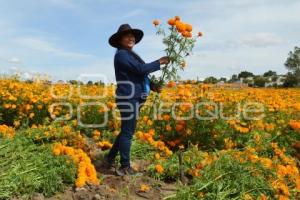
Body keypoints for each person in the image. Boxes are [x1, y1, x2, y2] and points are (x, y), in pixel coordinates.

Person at [103, 24, 170, 176]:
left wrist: (152, 86)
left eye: (132, 35)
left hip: (134, 98)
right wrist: (159, 62)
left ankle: (110, 158)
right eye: (127, 36)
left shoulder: (130, 55)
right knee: (128, 132)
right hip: (128, 98)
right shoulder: (122, 55)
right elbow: (141, 69)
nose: (131, 37)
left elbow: (140, 75)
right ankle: (124, 167)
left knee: (126, 130)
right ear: (120, 40)